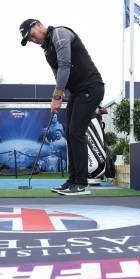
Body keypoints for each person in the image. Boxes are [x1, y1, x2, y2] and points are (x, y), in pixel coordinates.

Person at [20, 19, 104, 195]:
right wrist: (57, 96)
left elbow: (65, 65)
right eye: (29, 39)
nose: (33, 40)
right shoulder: (47, 51)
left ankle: (81, 183)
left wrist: (57, 96)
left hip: (90, 87)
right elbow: (58, 75)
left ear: (38, 24)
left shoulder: (60, 34)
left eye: (32, 35)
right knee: (70, 134)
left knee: (76, 133)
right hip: (77, 92)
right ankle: (73, 180)